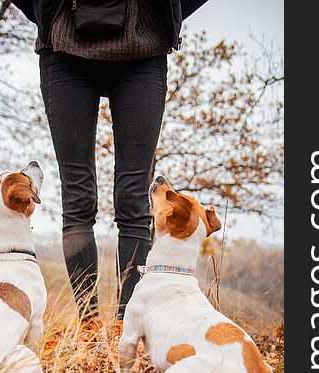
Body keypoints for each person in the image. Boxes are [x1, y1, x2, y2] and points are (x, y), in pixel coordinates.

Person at [11, 0, 208, 321]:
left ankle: (125, 325)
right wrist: (47, 12)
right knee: (77, 198)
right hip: (64, 50)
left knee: (133, 200)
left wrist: (162, 13)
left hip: (144, 51)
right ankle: (88, 328)